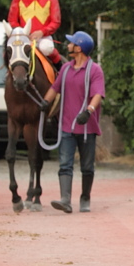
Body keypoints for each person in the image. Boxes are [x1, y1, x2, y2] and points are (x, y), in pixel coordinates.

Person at [40, 31, 105, 214]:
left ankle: (85, 198)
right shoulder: (66, 68)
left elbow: (98, 94)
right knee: (65, 164)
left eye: (71, 43)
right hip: (67, 125)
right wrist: (45, 102)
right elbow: (55, 88)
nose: (68, 45)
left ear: (79, 48)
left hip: (87, 126)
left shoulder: (95, 70)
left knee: (87, 166)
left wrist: (89, 111)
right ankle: (65, 200)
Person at [7, 0, 63, 69]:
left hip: (43, 37)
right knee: (9, 51)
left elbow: (55, 22)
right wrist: (22, 33)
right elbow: (12, 20)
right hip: (23, 37)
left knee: (46, 48)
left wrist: (42, 32)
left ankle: (60, 73)